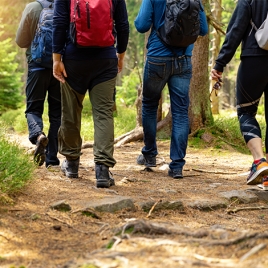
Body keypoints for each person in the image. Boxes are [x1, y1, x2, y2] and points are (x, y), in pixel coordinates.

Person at [52, 0, 129, 188]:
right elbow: (123, 24)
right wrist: (120, 56)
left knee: (70, 112)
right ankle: (102, 170)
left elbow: (59, 22)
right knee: (103, 114)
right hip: (105, 60)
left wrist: (56, 59)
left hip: (73, 61)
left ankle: (71, 164)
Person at [134, 0, 208, 178]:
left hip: (157, 58)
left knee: (150, 105)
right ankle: (177, 165)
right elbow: (203, 30)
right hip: (183, 59)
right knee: (181, 112)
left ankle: (150, 154)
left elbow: (141, 25)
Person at [211, 0, 268, 190]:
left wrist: (220, 64)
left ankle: (260, 162)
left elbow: (235, 30)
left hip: (254, 59)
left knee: (246, 112)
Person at [16, 0, 61, 168]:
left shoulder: (32, 7)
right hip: (60, 68)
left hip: (37, 66)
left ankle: (38, 135)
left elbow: (21, 41)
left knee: (33, 109)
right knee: (57, 114)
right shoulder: (66, 6)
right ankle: (52, 160)